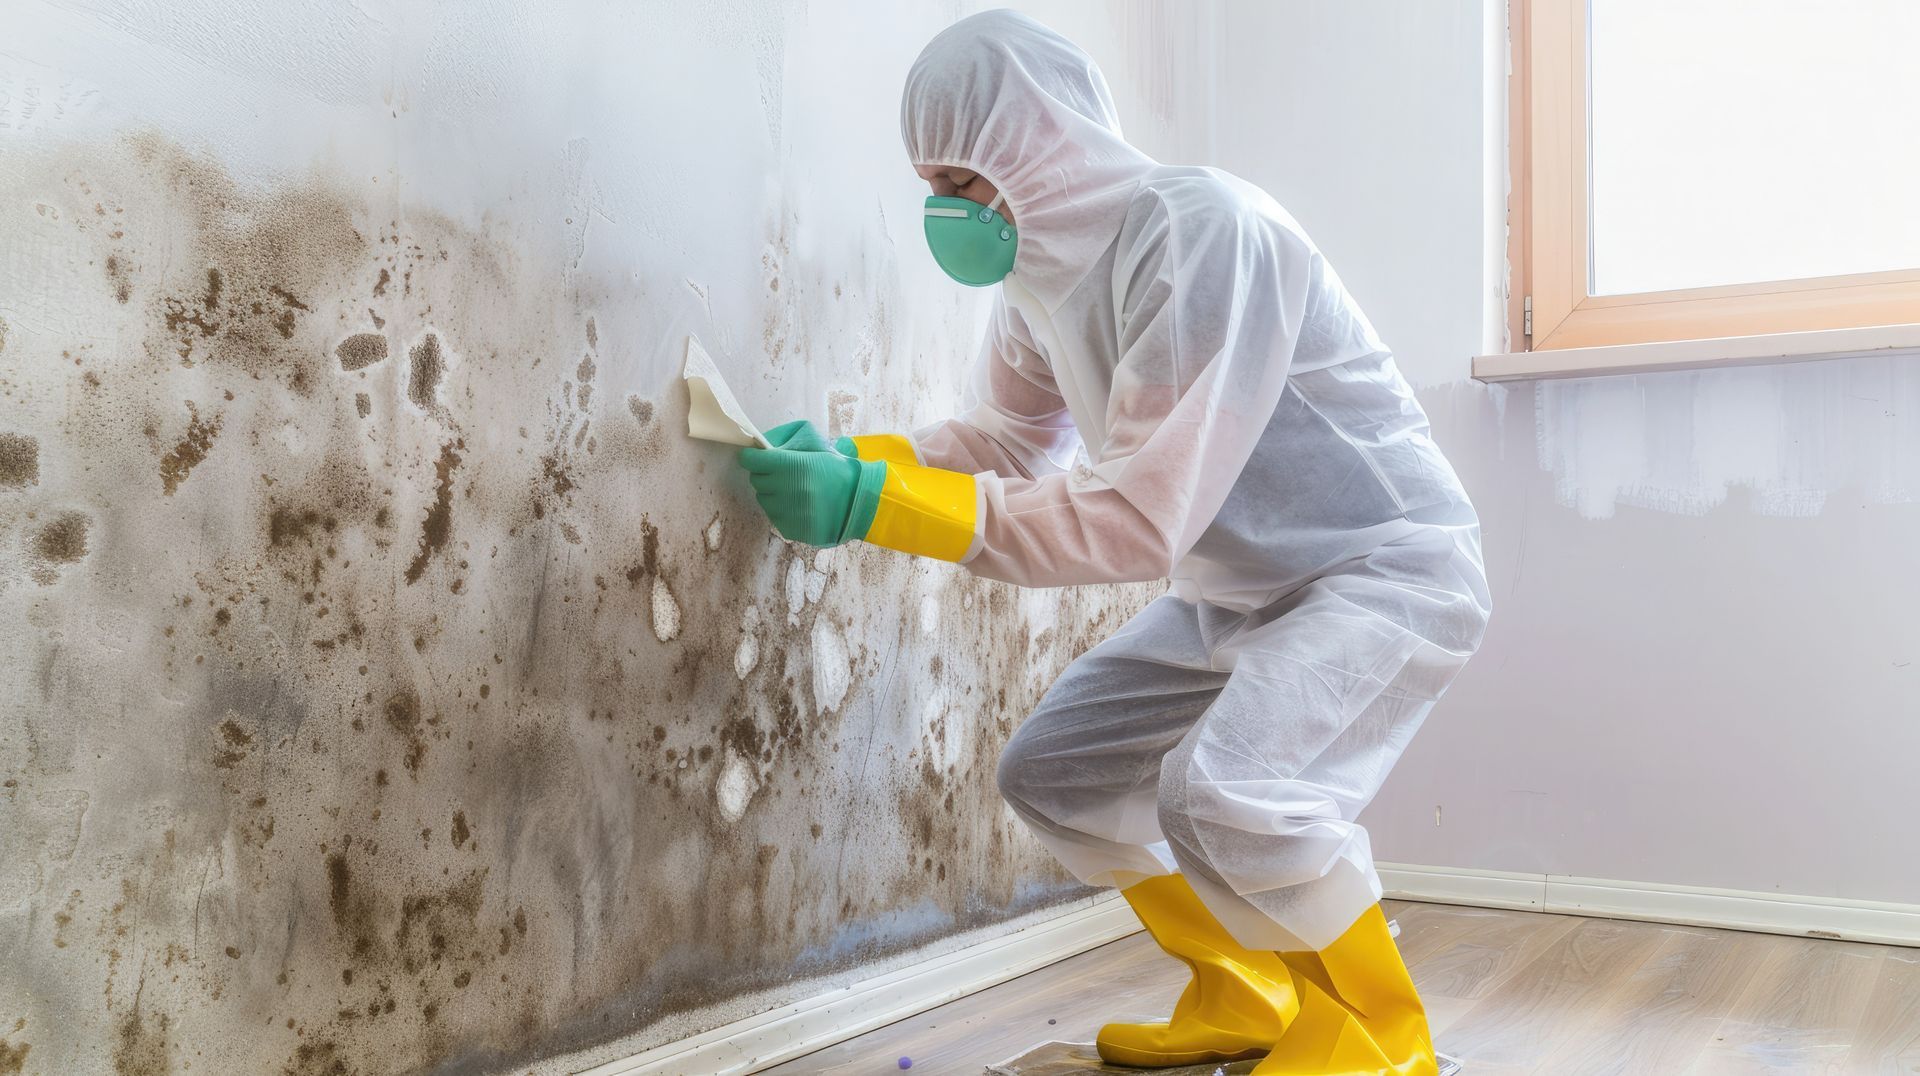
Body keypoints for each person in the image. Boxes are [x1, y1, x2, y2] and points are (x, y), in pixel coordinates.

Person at [738, 10, 1490, 1074]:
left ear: (1039, 143)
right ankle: (1246, 985)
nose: (947, 210)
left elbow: (1139, 518)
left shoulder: (1204, 235)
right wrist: (854, 455)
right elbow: (1006, 440)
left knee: (1221, 789)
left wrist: (875, 504)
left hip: (1381, 569)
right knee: (1057, 769)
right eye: (933, 185)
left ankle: (1380, 1036)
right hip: (1240, 591)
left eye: (964, 178)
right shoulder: (1038, 285)